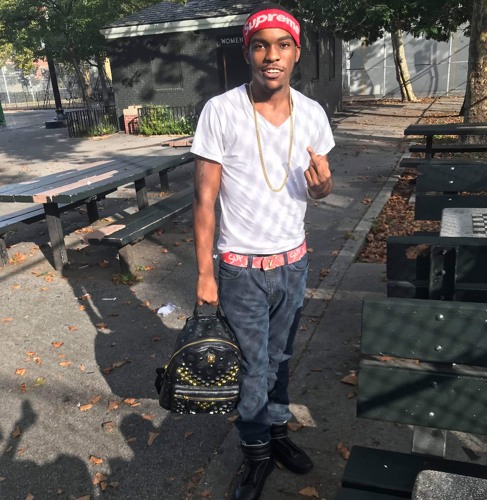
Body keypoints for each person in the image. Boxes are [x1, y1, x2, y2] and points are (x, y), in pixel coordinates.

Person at [190, 4, 335, 499]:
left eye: (282, 45)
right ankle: (255, 454)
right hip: (240, 269)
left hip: (293, 264)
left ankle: (277, 433)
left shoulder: (312, 114)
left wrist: (323, 187)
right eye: (260, 46)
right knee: (253, 368)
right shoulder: (221, 111)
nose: (271, 55)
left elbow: (320, 189)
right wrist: (205, 274)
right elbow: (204, 199)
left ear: (296, 52)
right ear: (248, 52)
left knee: (281, 358)